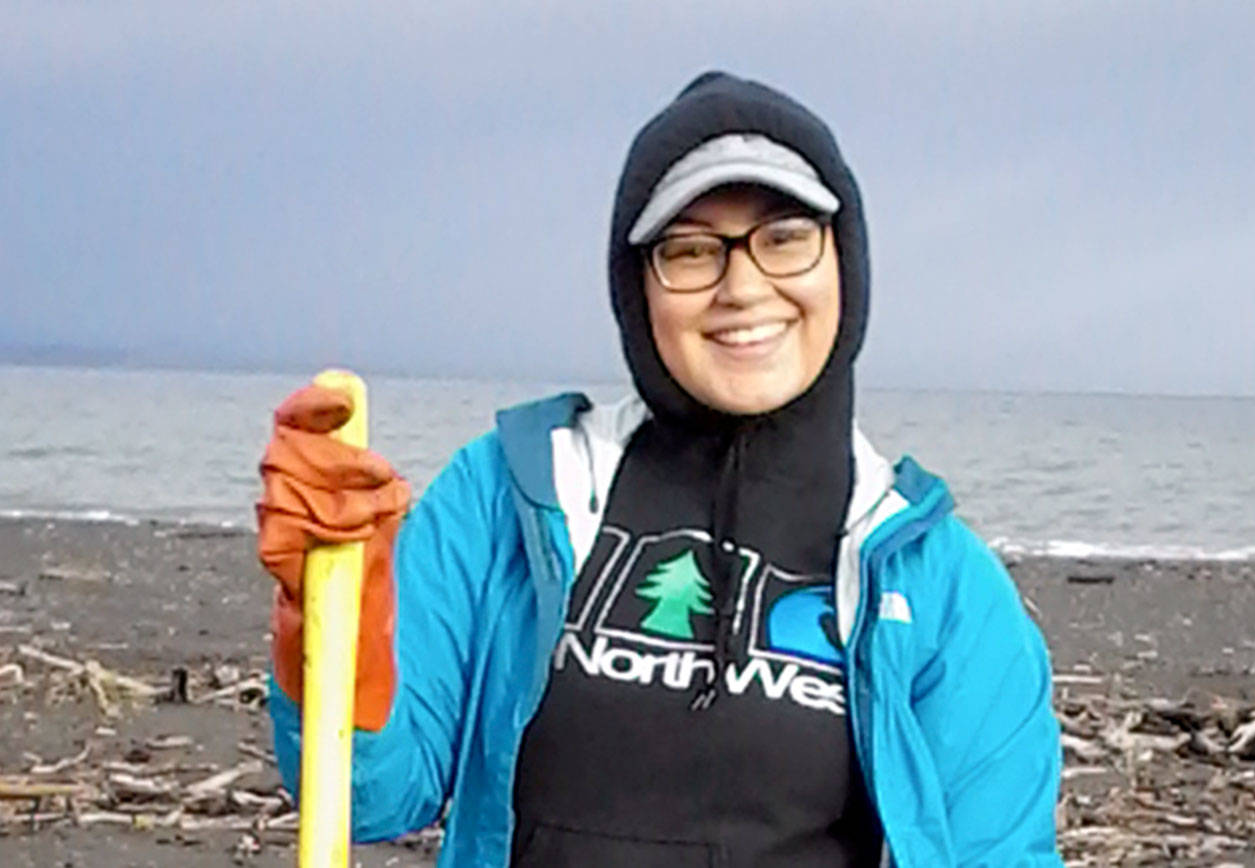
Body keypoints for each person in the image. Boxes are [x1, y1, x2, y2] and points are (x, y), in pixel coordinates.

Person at [257, 71, 1064, 867]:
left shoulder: (940, 585)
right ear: (636, 287)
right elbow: (370, 793)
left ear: (844, 261)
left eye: (785, 237)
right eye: (691, 251)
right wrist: (332, 613)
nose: (742, 287)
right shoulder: (507, 495)